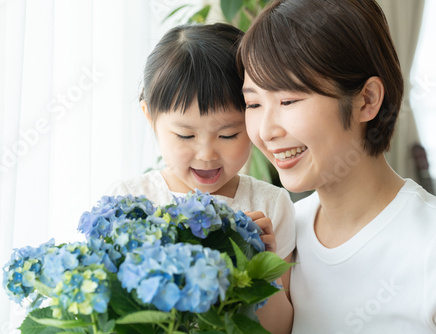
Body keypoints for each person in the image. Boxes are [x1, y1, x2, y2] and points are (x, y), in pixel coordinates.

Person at [237, 0, 436, 333]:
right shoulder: (280, 237)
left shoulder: (428, 245)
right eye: (253, 103)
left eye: (288, 100)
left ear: (367, 100)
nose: (266, 130)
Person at [106, 23, 295, 333]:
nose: (206, 154)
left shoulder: (271, 206)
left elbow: (280, 329)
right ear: (150, 118)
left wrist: (264, 268)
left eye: (228, 134)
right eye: (185, 135)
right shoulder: (129, 199)